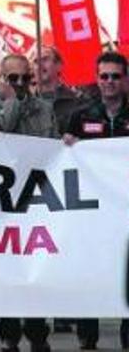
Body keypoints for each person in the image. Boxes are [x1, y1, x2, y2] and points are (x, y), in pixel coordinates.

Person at [0, 54, 55, 352]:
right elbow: (4, 132)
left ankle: (38, 334)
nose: (22, 84)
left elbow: (52, 144)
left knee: (35, 270)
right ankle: (8, 336)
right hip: (3, 203)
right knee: (7, 272)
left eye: (26, 78)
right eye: (14, 79)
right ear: (3, 78)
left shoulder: (45, 108)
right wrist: (14, 100)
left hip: (35, 199)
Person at [63, 52, 129, 350]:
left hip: (126, 211)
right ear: (97, 79)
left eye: (115, 76)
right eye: (104, 76)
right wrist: (68, 147)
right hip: (93, 211)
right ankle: (87, 337)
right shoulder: (82, 115)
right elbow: (64, 159)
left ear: (125, 79)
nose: (110, 82)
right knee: (91, 270)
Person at [35, 46, 87, 134]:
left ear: (59, 65)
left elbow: (94, 128)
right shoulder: (26, 105)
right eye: (36, 61)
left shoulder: (77, 101)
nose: (40, 64)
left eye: (45, 59)